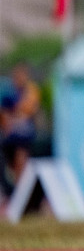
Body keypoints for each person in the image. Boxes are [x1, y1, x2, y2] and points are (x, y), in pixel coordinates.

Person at [1, 64, 41, 194]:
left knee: (21, 161)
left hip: (24, 134)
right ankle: (19, 189)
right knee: (12, 164)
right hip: (11, 134)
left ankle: (22, 191)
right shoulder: (9, 93)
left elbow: (30, 111)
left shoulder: (31, 91)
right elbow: (5, 114)